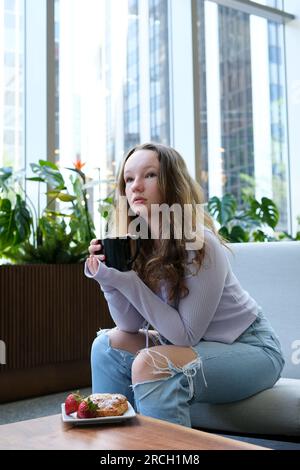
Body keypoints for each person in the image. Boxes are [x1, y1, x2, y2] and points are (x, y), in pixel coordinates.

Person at [85, 142, 285, 428]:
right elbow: (128, 324)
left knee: (153, 363)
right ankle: (115, 446)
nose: (136, 186)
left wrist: (128, 282)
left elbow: (185, 335)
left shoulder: (199, 243)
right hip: (195, 347)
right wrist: (108, 279)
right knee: (106, 346)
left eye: (149, 175)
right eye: (129, 179)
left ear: (171, 183)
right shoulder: (137, 244)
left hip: (252, 349)